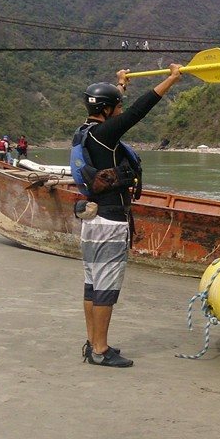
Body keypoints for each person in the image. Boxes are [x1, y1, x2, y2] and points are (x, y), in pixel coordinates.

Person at [72, 63, 182, 367]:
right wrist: (171, 79)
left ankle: (92, 343)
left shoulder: (87, 132)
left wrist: (121, 84)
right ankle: (100, 350)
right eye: (116, 105)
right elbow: (138, 112)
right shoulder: (106, 133)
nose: (121, 108)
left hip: (91, 220)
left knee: (92, 285)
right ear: (107, 111)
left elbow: (114, 104)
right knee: (105, 288)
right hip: (109, 223)